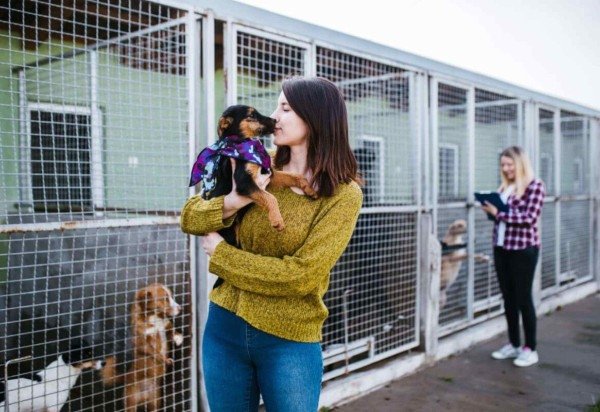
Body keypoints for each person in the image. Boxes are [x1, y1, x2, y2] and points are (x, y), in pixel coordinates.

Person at [180, 76, 363, 411]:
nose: (274, 116)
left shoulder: (343, 194)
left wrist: (222, 255)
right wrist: (234, 201)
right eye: (277, 107)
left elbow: (300, 276)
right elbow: (190, 217)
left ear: (316, 117)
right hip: (225, 328)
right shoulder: (256, 160)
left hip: (289, 338)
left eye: (285, 108)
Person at [481, 146, 545, 367]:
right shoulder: (505, 187)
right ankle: (514, 344)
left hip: (523, 249)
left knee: (523, 298)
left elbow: (529, 218)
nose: (506, 168)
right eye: (503, 165)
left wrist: (498, 213)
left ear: (520, 163)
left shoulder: (535, 186)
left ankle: (530, 349)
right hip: (502, 248)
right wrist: (490, 210)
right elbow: (501, 218)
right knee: (508, 298)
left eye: (510, 164)